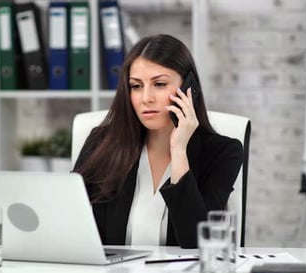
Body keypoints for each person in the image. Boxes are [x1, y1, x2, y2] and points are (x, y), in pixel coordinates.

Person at [72, 34, 243, 249]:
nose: (146, 98)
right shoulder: (102, 143)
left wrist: (179, 149)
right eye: (136, 86)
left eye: (159, 84)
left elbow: (199, 244)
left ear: (189, 88)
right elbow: (71, 224)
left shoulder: (223, 152)